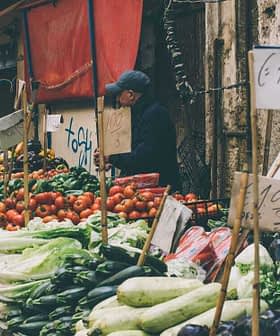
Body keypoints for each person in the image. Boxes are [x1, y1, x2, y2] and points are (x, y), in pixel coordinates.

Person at [94, 70, 181, 192]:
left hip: (161, 191)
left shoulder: (155, 115)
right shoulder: (139, 114)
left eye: (119, 94)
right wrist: (110, 160)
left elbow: (143, 157)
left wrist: (111, 158)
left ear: (130, 94)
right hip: (145, 189)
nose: (118, 99)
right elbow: (132, 149)